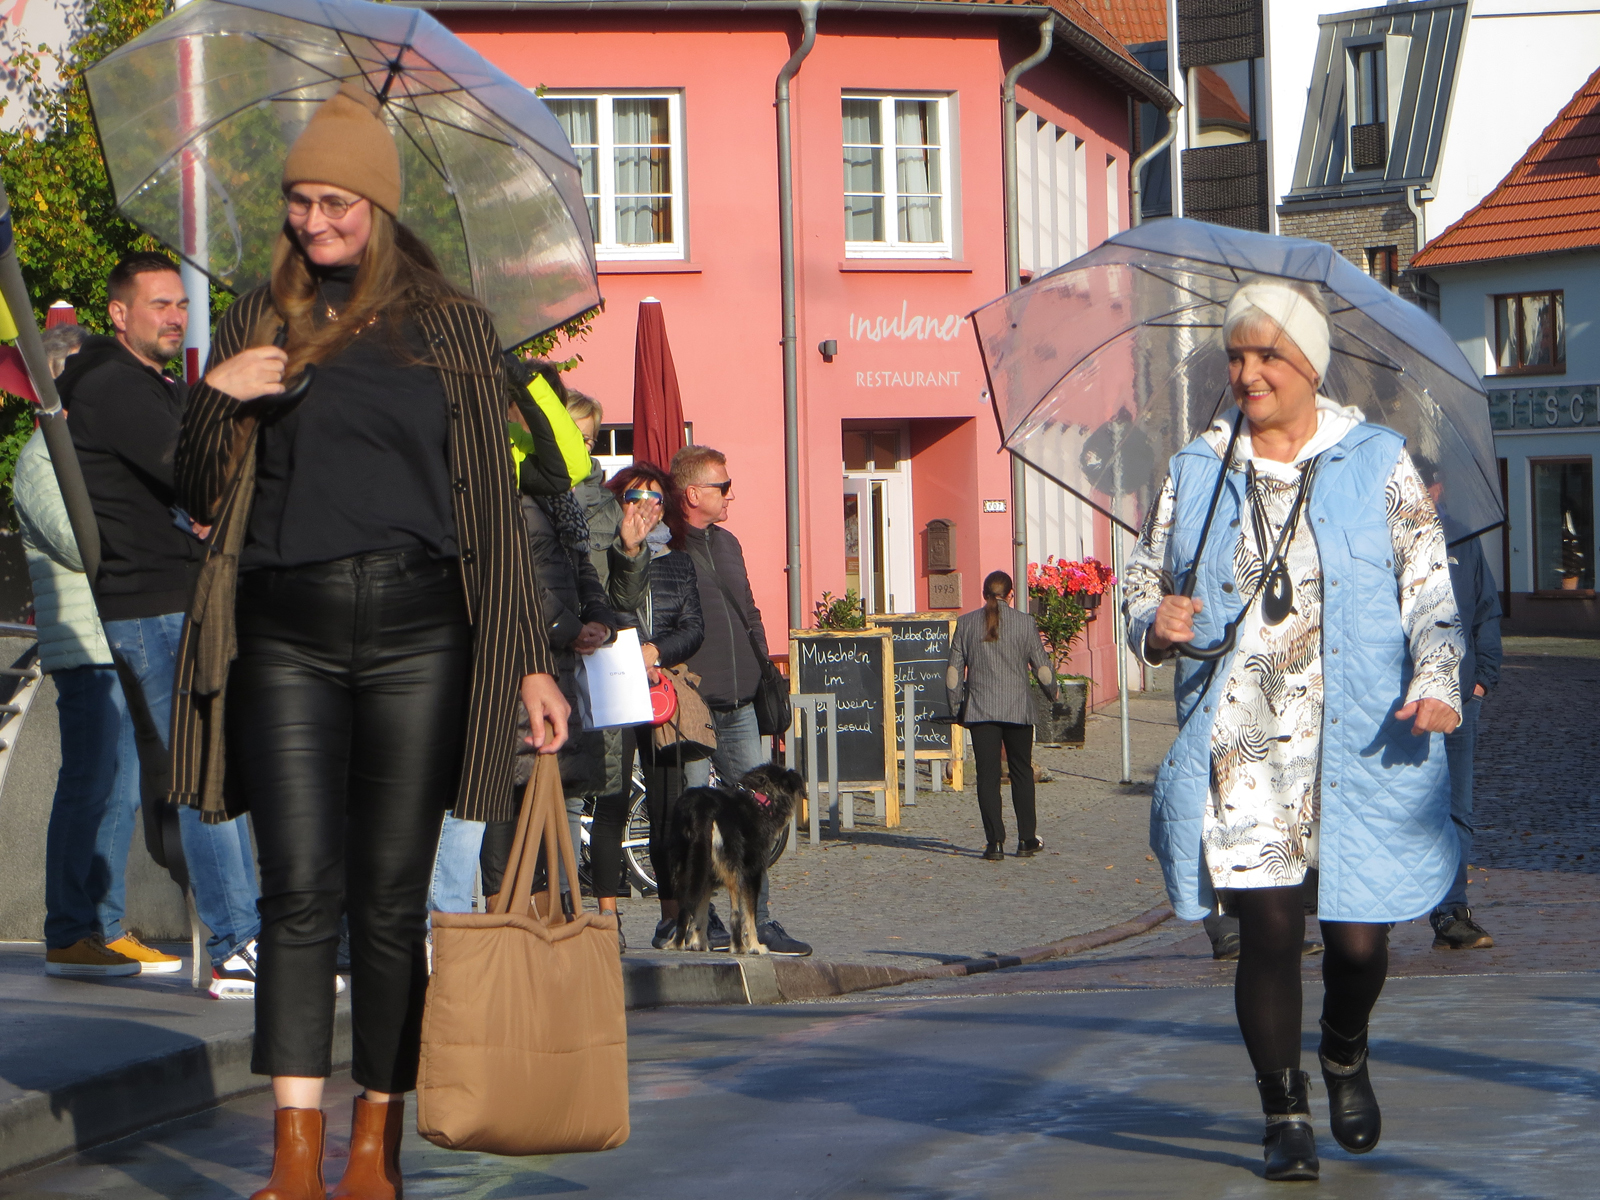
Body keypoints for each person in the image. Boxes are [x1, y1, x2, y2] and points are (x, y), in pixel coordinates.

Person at [170, 86, 569, 1200]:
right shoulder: (258, 315)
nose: (312, 221)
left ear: (379, 206)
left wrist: (530, 658)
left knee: (390, 900)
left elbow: (490, 506)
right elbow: (197, 489)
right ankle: (295, 1158)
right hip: (282, 628)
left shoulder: (451, 325)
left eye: (334, 201)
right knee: (299, 889)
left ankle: (371, 1155)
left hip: (419, 632)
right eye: (298, 201)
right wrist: (218, 394)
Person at [1124, 278, 1464, 1182]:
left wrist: (1438, 682)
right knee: (1269, 934)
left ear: (1310, 364)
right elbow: (1140, 581)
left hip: (1358, 736)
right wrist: (1152, 622)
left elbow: (1428, 589)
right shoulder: (1196, 469)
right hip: (1242, 741)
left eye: (1268, 355)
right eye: (1237, 355)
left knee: (1360, 942)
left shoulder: (1378, 459)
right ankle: (1284, 1113)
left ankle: (1344, 1049)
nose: (1248, 372)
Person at [58, 253, 261, 997]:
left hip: (170, 598)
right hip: (153, 603)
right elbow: (196, 472)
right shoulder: (115, 385)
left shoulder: (147, 385)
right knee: (202, 774)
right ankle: (237, 943)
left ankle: (247, 936)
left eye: (181, 305)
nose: (176, 316)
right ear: (119, 314)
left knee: (215, 771)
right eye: (160, 306)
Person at [22, 324, 177, 977]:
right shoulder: (40, 458)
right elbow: (86, 541)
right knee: (88, 784)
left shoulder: (82, 451)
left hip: (117, 632)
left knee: (121, 787)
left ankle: (105, 926)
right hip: (85, 645)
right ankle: (68, 929)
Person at [670, 444, 811, 957]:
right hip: (692, 705)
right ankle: (692, 922)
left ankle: (759, 920)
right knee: (694, 823)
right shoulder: (669, 546)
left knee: (757, 821)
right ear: (693, 493)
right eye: (722, 486)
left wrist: (762, 671)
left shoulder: (728, 543)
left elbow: (749, 609)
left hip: (741, 702)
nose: (730, 495)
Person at [588, 462, 703, 948]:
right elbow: (602, 606)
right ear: (619, 499)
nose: (647, 506)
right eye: (637, 496)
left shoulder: (677, 560)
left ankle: (671, 915)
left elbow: (694, 626)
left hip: (661, 692)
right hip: (614, 683)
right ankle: (607, 916)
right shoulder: (602, 552)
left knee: (667, 805)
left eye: (657, 499)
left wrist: (656, 653)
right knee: (612, 802)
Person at [1417, 461, 1502, 950]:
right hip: (1402, 704)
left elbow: (1485, 610)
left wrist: (1482, 681)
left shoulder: (1462, 542)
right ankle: (1378, 920)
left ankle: (1451, 912)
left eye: (1424, 485)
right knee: (1392, 809)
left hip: (1460, 698)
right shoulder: (1378, 543)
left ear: (1437, 487)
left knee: (1456, 811)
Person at [946, 570, 1057, 862]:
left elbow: (954, 673)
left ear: (984, 594)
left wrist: (957, 706)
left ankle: (994, 842)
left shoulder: (967, 623)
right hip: (1018, 710)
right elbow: (1041, 667)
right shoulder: (1025, 623)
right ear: (1011, 594)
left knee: (988, 776)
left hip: (981, 711)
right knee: (1021, 772)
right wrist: (1052, 693)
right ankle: (1026, 839)